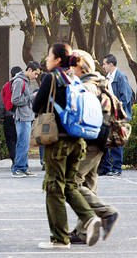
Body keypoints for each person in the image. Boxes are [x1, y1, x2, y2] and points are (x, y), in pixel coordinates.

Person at [33, 43, 101, 249]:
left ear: (58, 60)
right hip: (77, 140)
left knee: (54, 187)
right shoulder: (74, 78)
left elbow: (36, 106)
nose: (46, 59)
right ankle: (89, 217)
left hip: (58, 140)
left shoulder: (51, 77)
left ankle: (60, 239)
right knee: (70, 185)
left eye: (49, 56)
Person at [67, 49, 119, 245]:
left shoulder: (87, 87)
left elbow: (78, 117)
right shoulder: (102, 82)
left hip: (89, 142)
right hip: (103, 140)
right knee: (89, 184)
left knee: (71, 182)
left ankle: (107, 212)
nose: (70, 69)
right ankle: (82, 231)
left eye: (72, 65)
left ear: (79, 67)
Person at [99, 54, 133, 176]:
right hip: (109, 115)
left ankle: (117, 168)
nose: (103, 66)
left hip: (118, 115)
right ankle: (107, 168)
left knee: (117, 141)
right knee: (107, 140)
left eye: (104, 64)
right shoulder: (107, 78)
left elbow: (126, 97)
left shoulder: (121, 77)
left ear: (111, 64)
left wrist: (117, 108)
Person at [11, 63, 40, 177]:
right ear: (29, 70)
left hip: (27, 116)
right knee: (22, 144)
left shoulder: (25, 80)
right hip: (22, 117)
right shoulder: (19, 81)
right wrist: (32, 97)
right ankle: (18, 168)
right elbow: (15, 100)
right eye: (35, 73)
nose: (36, 76)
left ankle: (23, 167)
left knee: (25, 144)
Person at [0, 67, 22, 168]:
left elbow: (1, 102)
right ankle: (20, 160)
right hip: (21, 116)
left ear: (11, 75)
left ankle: (14, 159)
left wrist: (1, 115)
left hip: (8, 116)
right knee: (20, 139)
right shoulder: (23, 84)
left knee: (10, 140)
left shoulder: (6, 86)